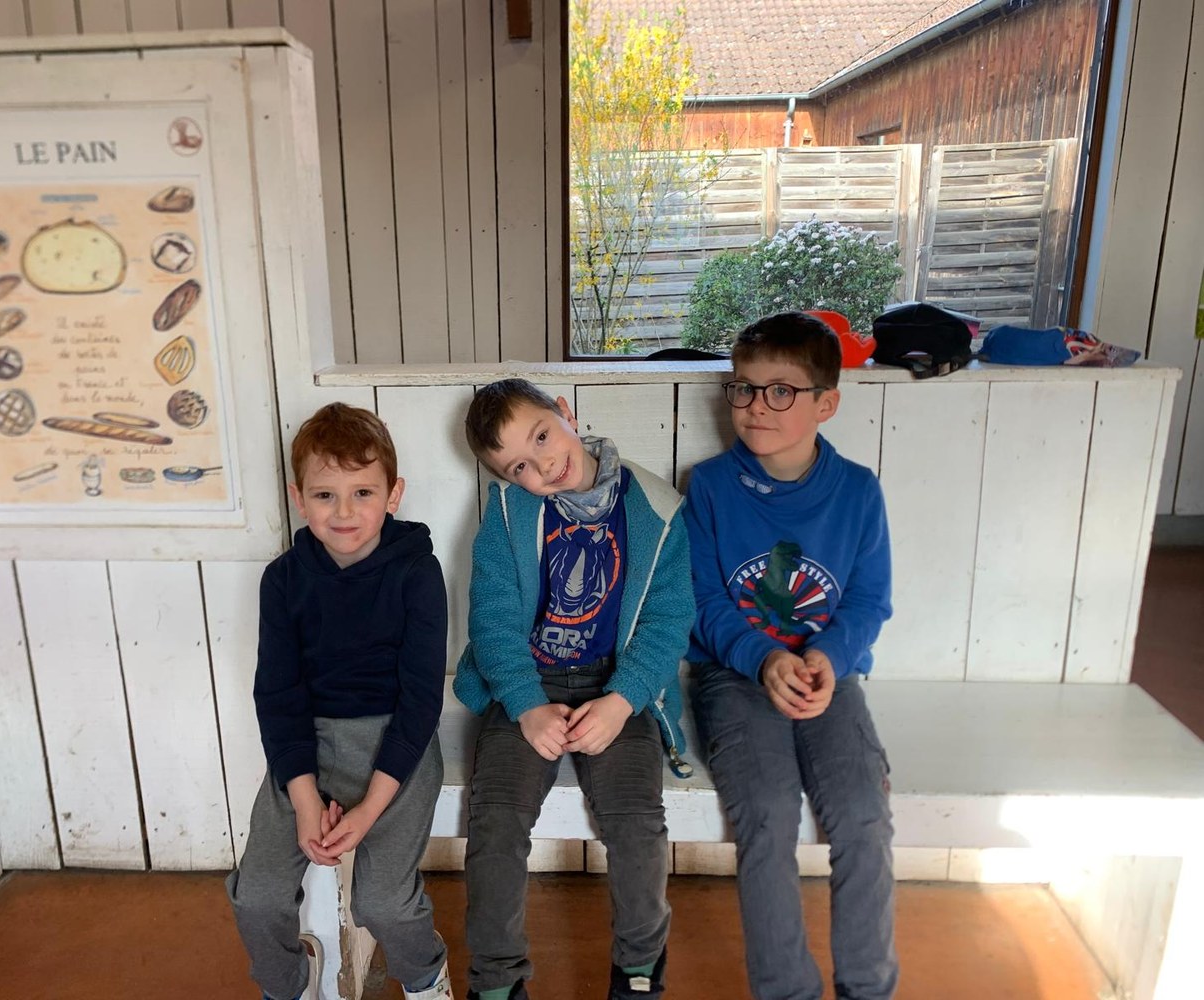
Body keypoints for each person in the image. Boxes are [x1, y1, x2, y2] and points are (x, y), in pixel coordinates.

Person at [454, 379, 694, 1000]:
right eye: (519, 466)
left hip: (617, 688)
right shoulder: (508, 515)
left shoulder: (656, 508)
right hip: (526, 688)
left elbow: (669, 619)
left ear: (565, 412)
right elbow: (492, 621)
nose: (541, 465)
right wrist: (526, 705)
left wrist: (622, 700)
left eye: (542, 436)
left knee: (637, 826)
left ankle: (639, 971)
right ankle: (496, 981)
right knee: (496, 824)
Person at [685, 312, 898, 1000]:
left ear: (825, 404)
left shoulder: (857, 491)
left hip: (828, 677)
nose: (756, 405)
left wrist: (828, 658)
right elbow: (703, 601)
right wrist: (762, 659)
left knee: (863, 816)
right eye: (743, 388)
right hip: (734, 677)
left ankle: (867, 988)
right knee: (768, 813)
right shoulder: (709, 487)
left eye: (781, 391)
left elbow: (868, 601)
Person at [226, 403, 454, 1000]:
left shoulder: (417, 573)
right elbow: (278, 696)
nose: (345, 512)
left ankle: (426, 977)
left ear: (393, 494)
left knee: (384, 903)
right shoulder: (283, 581)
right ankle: (289, 984)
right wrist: (305, 802)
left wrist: (370, 809)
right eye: (325, 495)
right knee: (256, 897)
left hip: (396, 747)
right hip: (307, 748)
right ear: (299, 499)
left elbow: (420, 700)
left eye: (363, 493)